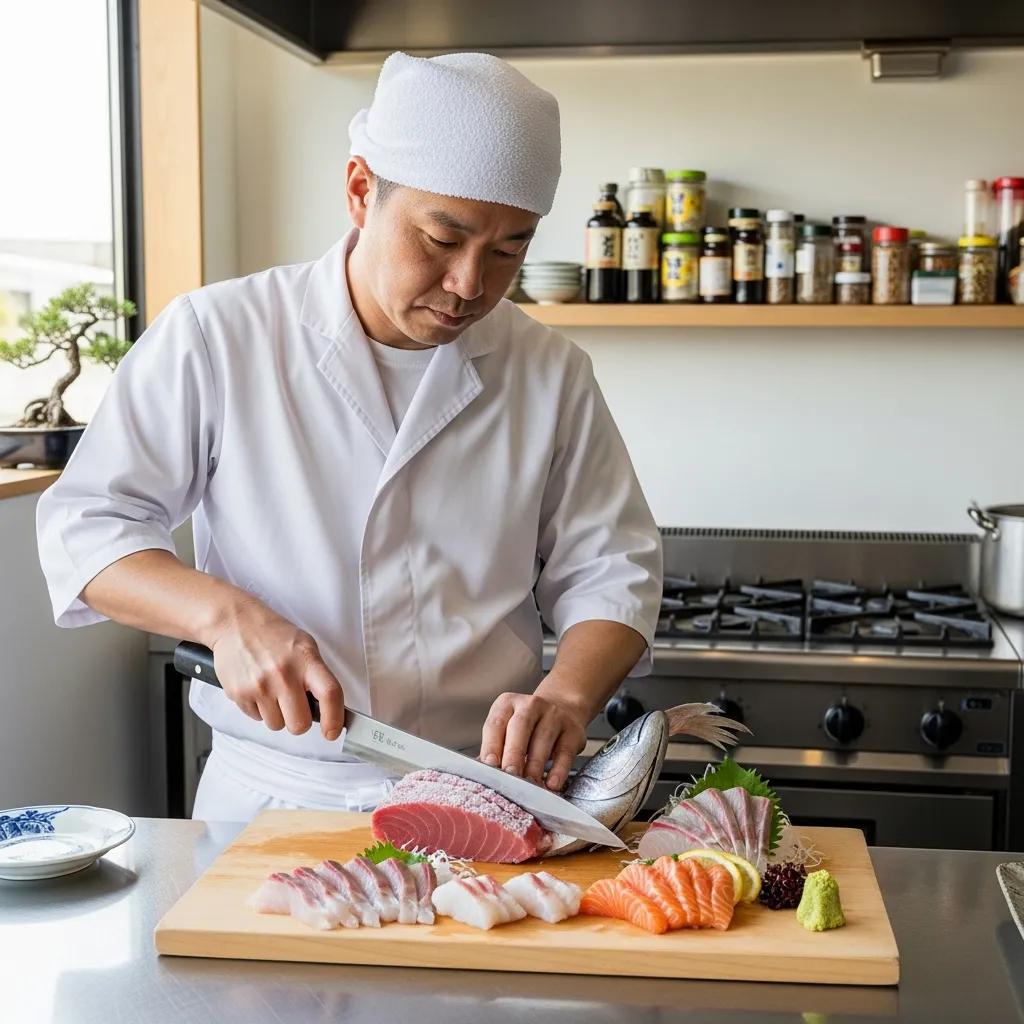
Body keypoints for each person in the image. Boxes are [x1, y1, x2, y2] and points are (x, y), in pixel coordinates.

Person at [36, 51, 662, 821]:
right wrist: (224, 616)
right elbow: (87, 527)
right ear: (361, 190)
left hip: (485, 799)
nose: (470, 284)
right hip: (276, 801)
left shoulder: (548, 370)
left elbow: (612, 565)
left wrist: (567, 693)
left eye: (509, 250)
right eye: (441, 238)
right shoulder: (221, 335)